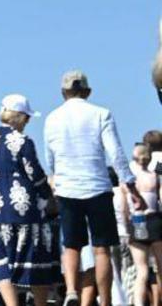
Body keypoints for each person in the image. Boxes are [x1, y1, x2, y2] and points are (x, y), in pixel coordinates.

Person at [43, 70, 145, 306]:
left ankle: (70, 291)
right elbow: (116, 153)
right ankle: (106, 300)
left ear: (63, 93)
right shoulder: (101, 114)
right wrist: (131, 187)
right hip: (98, 188)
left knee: (71, 246)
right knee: (101, 250)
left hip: (67, 189)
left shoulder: (52, 119)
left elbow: (51, 159)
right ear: (88, 92)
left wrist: (60, 178)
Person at [0, 94, 59, 306]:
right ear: (21, 117)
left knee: (1, 264)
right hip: (22, 209)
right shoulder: (23, 141)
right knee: (34, 260)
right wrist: (47, 196)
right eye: (28, 118)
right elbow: (35, 174)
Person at [125, 143, 161, 306]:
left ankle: (139, 303)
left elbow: (125, 207)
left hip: (136, 221)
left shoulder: (128, 179)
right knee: (160, 267)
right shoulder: (155, 176)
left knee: (141, 269)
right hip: (154, 220)